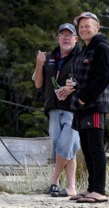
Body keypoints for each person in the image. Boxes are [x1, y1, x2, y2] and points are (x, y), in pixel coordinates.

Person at [67, 12, 109, 203]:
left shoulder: (101, 46)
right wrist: (71, 86)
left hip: (94, 105)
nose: (84, 29)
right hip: (81, 105)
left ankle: (99, 191)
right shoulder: (84, 49)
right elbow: (82, 77)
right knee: (86, 148)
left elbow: (104, 77)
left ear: (97, 27)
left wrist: (84, 97)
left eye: (87, 25)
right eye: (81, 26)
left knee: (96, 147)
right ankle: (91, 188)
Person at [33, 23, 81, 197]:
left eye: (70, 35)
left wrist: (73, 87)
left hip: (75, 109)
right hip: (53, 109)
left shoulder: (82, 56)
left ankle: (53, 181)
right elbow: (38, 84)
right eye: (63, 35)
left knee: (66, 144)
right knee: (65, 148)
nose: (66, 38)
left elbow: (91, 81)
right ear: (57, 38)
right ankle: (71, 187)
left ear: (76, 39)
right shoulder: (50, 57)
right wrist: (39, 64)